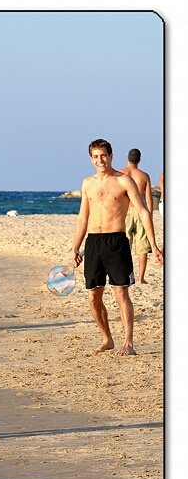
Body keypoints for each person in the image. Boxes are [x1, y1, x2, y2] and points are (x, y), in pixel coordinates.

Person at [72, 139, 163, 356]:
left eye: (103, 155)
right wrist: (75, 247)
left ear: (111, 156)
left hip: (116, 241)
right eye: (95, 156)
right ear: (91, 158)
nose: (99, 160)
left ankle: (128, 343)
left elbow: (142, 212)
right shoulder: (87, 183)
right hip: (93, 242)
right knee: (93, 295)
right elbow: (83, 217)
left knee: (121, 293)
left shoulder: (124, 181)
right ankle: (107, 339)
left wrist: (154, 245)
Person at [118, 149, 153, 284]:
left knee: (124, 245)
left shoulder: (120, 174)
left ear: (127, 158)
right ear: (139, 160)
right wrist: (149, 215)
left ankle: (124, 275)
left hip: (125, 211)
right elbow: (149, 199)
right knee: (142, 246)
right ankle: (141, 278)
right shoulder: (144, 176)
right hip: (140, 211)